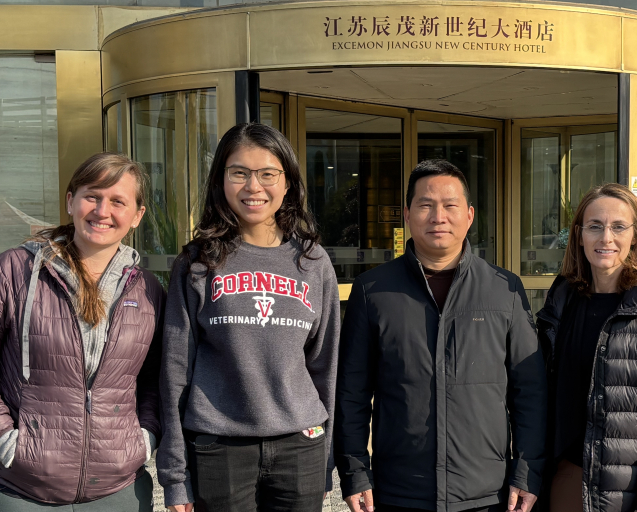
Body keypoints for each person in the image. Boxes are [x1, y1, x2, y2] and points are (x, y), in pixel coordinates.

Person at [335, 159, 546, 512]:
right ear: (407, 213)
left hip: (486, 493)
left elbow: (530, 392)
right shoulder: (373, 291)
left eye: (450, 206)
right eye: (426, 205)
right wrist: (355, 471)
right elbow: (352, 392)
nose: (438, 216)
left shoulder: (504, 289)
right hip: (400, 491)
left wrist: (527, 471)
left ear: (469, 215)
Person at [157, 123, 341, 512]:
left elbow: (326, 366)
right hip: (218, 447)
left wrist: (325, 458)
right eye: (239, 173)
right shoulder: (197, 262)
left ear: (287, 182)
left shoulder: (313, 262)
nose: (253, 187)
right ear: (221, 180)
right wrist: (175, 476)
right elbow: (175, 370)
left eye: (267, 174)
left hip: (299, 445)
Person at [0, 153, 164, 510]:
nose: (102, 211)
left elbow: (154, 378)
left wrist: (143, 439)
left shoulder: (149, 291)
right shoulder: (15, 271)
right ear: (70, 201)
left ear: (137, 216)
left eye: (118, 201)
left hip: (119, 491)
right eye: (93, 196)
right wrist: (6, 442)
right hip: (21, 490)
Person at [535, 183, 637, 512]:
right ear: (578, 235)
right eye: (595, 226)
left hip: (631, 489)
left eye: (618, 227)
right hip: (568, 476)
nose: (606, 238)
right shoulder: (562, 299)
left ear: (636, 235)